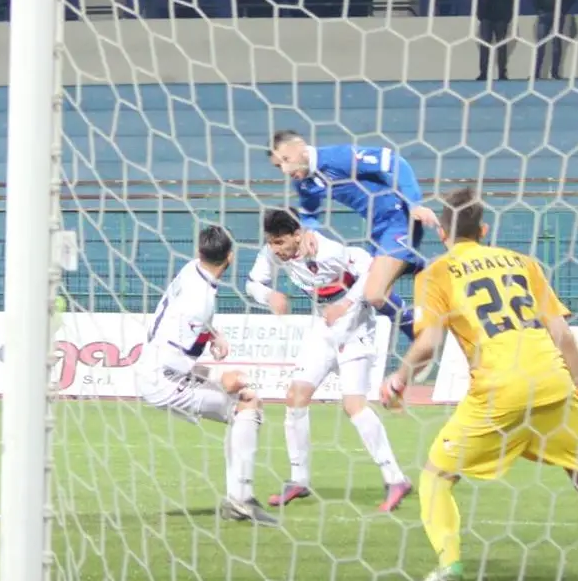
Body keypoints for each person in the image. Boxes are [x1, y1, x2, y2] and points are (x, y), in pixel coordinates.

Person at [384, 188, 578, 581]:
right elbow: (562, 333)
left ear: (442, 234)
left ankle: (449, 565)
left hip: (499, 388)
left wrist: (399, 377)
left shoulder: (438, 272)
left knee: (437, 476)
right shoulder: (523, 262)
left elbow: (429, 345)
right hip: (553, 381)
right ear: (483, 229)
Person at [246, 209, 411, 512]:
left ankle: (396, 478)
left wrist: (346, 302)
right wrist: (269, 295)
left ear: (298, 234)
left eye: (280, 242)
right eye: (271, 242)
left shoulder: (332, 251)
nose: (275, 249)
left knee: (353, 405)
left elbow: (373, 269)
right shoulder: (273, 254)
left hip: (356, 327)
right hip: (323, 327)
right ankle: (299, 480)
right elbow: (252, 282)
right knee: (295, 396)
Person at [132, 224, 275, 526]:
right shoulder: (201, 302)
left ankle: (239, 497)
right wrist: (222, 376)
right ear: (231, 257)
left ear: (198, 252)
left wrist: (214, 335)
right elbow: (178, 362)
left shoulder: (191, 270)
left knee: (243, 406)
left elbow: (186, 317)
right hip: (164, 379)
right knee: (246, 404)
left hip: (153, 366)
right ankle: (241, 500)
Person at [268, 131, 438, 338]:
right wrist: (309, 229)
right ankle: (424, 268)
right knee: (378, 291)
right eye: (278, 166)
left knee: (374, 294)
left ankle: (420, 337)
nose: (285, 169)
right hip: (377, 229)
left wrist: (414, 204)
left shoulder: (338, 157)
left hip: (399, 218)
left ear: (301, 147)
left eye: (287, 160)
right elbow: (309, 207)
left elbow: (394, 161)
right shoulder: (303, 181)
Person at [532, 0, 578, 81]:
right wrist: (538, 10)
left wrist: (562, 10)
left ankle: (555, 73)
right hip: (544, 14)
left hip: (558, 15)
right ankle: (536, 73)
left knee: (556, 45)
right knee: (540, 44)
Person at [473, 0, 517, 82]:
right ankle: (483, 73)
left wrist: (507, 18)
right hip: (486, 19)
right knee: (484, 46)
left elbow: (511, 3)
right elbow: (478, 1)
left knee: (501, 47)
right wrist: (481, 16)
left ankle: (502, 73)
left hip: (501, 20)